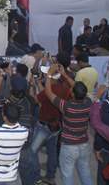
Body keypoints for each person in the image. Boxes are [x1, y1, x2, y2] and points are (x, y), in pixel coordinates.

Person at [29, 52, 73, 185]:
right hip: (57, 125)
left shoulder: (49, 90)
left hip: (44, 125)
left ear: (51, 76)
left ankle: (36, 175)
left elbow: (36, 99)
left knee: (31, 151)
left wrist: (33, 86)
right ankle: (51, 175)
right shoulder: (64, 89)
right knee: (52, 151)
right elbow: (48, 93)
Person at [44, 71, 93, 185]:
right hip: (84, 144)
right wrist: (64, 74)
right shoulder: (88, 103)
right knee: (85, 173)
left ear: (73, 94)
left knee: (67, 176)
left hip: (69, 146)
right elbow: (77, 89)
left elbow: (48, 92)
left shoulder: (66, 106)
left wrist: (49, 75)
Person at [0, 64, 35, 185]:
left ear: (11, 88)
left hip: (7, 148)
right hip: (25, 147)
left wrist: (1, 76)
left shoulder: (3, 102)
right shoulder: (30, 102)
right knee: (26, 176)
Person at [0, 101, 29, 185]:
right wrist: (12, 109)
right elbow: (16, 123)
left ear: (4, 117)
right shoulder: (24, 132)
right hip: (11, 176)